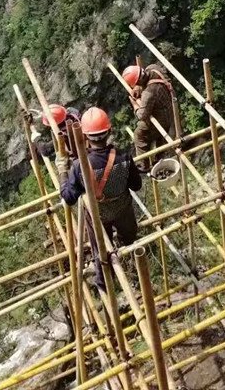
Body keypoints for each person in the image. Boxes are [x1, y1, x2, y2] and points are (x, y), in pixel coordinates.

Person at [59, 107, 142, 290]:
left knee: (101, 254)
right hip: (123, 210)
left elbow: (68, 197)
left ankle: (105, 285)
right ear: (109, 131)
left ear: (86, 137)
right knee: (130, 239)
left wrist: (62, 172)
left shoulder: (80, 166)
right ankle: (135, 265)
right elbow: (136, 185)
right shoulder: (124, 157)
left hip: (98, 216)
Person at [122, 63, 175, 170]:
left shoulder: (148, 93)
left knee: (139, 134)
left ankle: (144, 165)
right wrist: (138, 87)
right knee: (161, 139)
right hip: (170, 107)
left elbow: (142, 115)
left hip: (161, 118)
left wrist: (135, 105)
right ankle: (159, 159)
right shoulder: (153, 68)